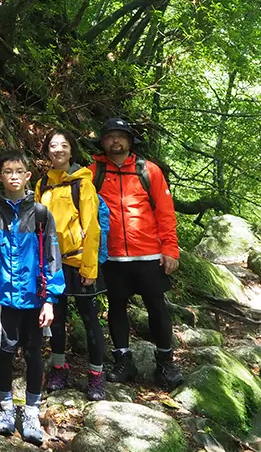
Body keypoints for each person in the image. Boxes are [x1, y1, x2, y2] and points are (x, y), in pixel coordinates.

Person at [0, 149, 65, 446]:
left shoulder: (41, 214)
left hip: (35, 298)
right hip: (4, 298)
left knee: (34, 354)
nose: (14, 176)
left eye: (19, 171)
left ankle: (31, 412)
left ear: (28, 176)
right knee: (4, 353)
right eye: (8, 171)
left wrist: (51, 299)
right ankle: (5, 409)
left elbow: (53, 258)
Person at [90, 117, 184, 389]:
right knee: (117, 307)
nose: (115, 141)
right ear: (103, 142)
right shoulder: (93, 172)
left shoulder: (149, 171)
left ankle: (165, 363)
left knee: (156, 306)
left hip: (148, 254)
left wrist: (170, 249)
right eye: (110, 136)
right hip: (112, 255)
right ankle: (124, 361)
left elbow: (165, 212)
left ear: (130, 142)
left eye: (121, 136)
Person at [35, 129, 107, 401]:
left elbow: (92, 227)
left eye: (63, 145)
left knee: (90, 320)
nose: (58, 149)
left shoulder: (83, 184)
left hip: (79, 263)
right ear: (47, 152)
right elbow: (36, 228)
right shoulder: (43, 185)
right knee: (56, 317)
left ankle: (96, 376)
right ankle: (58, 367)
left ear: (71, 151)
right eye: (53, 145)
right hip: (52, 264)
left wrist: (90, 268)